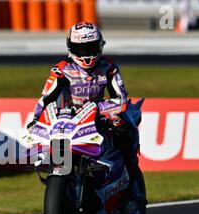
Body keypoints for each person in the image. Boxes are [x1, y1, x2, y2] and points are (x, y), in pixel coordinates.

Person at [27, 22, 142, 198]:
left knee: (124, 127)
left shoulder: (109, 67)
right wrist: (36, 119)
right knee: (44, 144)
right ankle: (61, 182)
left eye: (91, 47)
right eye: (81, 49)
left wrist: (104, 110)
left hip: (98, 116)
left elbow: (121, 98)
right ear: (71, 48)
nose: (86, 54)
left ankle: (132, 179)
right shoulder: (62, 69)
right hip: (67, 119)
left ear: (100, 45)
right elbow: (46, 99)